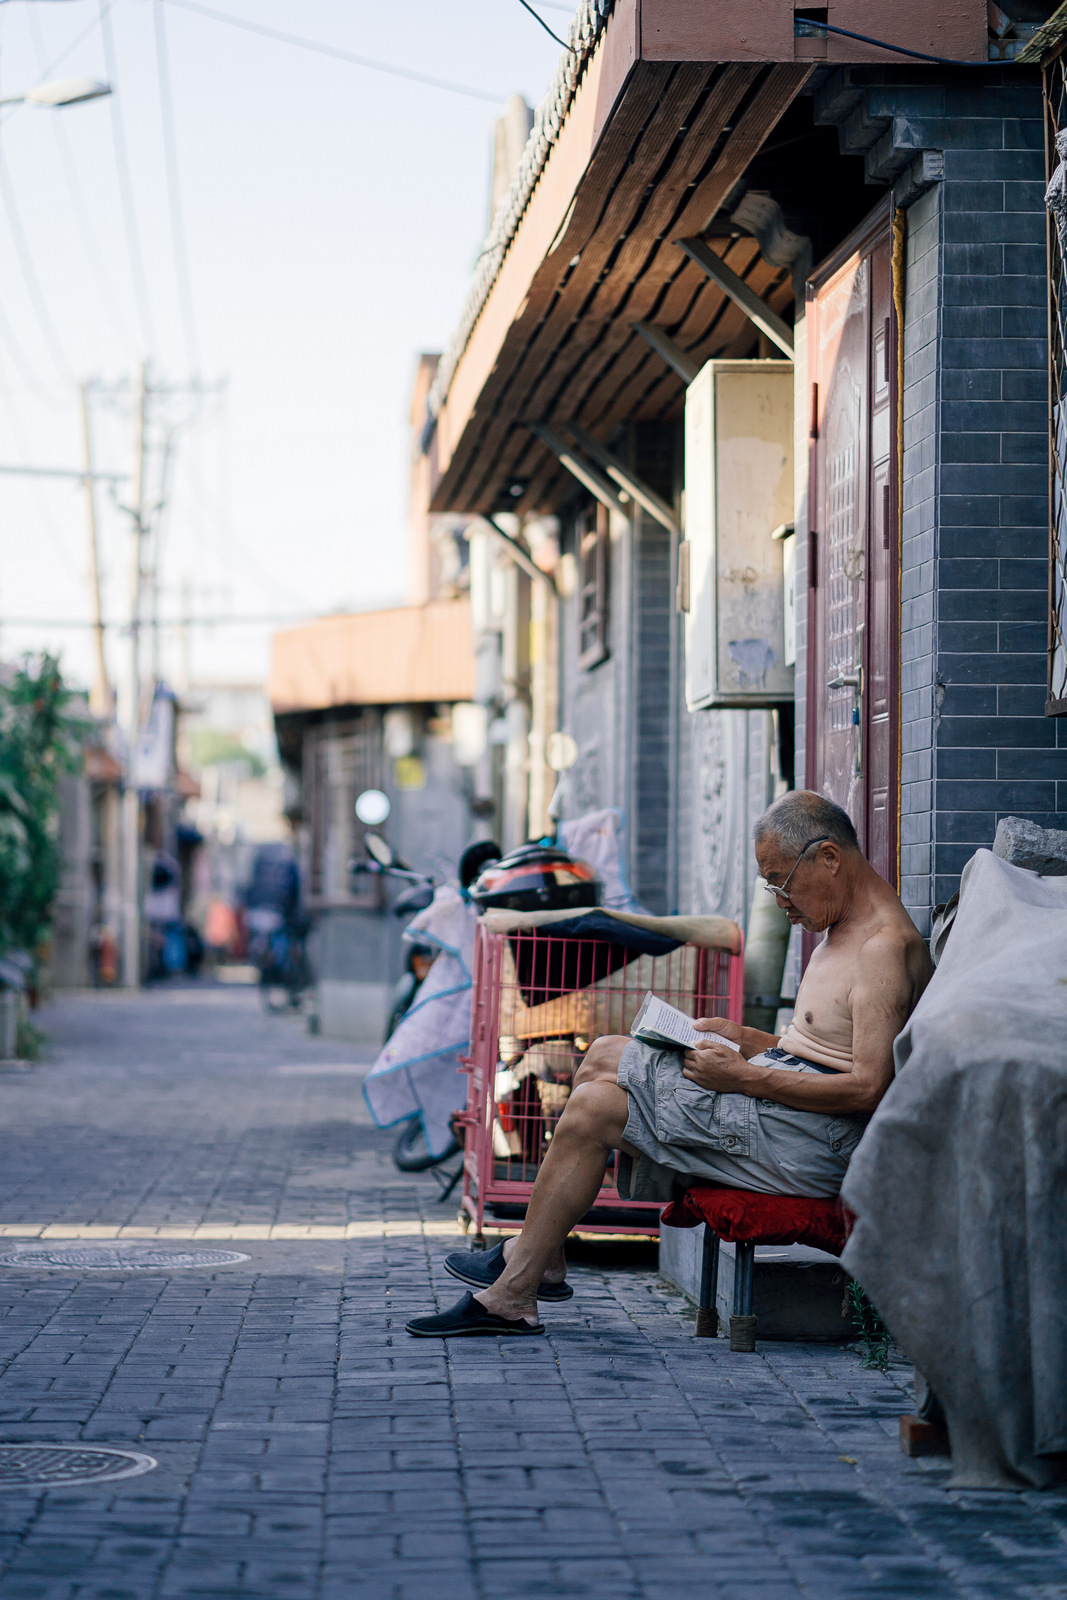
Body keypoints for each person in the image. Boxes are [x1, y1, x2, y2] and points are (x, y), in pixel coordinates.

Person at [406, 790, 933, 1338]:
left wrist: (745, 1077)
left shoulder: (882, 949)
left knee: (592, 1108)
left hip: (813, 1144)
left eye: (781, 880)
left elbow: (870, 1086)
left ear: (828, 857)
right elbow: (824, 1045)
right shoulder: (842, 929)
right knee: (607, 1054)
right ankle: (535, 1264)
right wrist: (745, 1038)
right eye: (770, 885)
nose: (779, 899)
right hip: (790, 1114)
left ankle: (517, 1286)